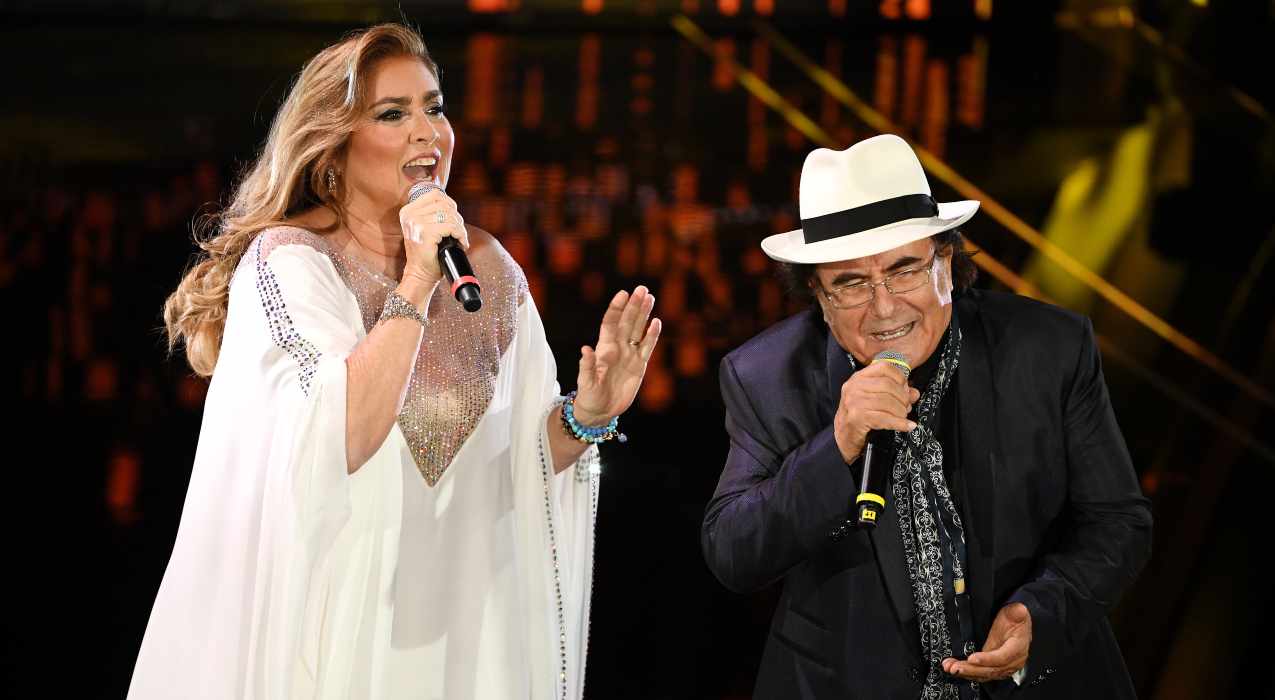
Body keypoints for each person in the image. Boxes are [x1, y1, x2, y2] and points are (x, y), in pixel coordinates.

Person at [129, 24, 661, 700]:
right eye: (392, 114)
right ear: (334, 145)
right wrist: (415, 281)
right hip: (339, 635)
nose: (426, 133)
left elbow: (515, 462)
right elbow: (340, 435)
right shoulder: (290, 263)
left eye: (434, 108)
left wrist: (588, 414)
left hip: (454, 632)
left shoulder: (489, 272)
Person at [701, 134, 1151, 699]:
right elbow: (733, 552)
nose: (885, 306)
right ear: (818, 294)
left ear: (946, 261)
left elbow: (1118, 520)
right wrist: (836, 446)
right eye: (851, 283)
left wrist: (1044, 613)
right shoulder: (766, 377)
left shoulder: (1048, 349)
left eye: (905, 270)